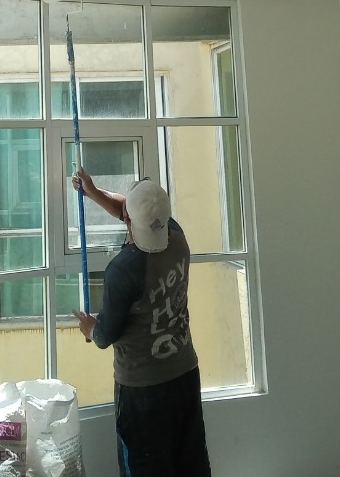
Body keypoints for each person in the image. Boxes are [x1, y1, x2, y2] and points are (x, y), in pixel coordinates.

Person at [71, 169, 212, 477]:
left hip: (143, 391)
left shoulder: (123, 269)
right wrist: (93, 192)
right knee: (190, 463)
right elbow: (134, 210)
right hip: (184, 374)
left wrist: (89, 327)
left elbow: (105, 335)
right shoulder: (177, 236)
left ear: (129, 222)